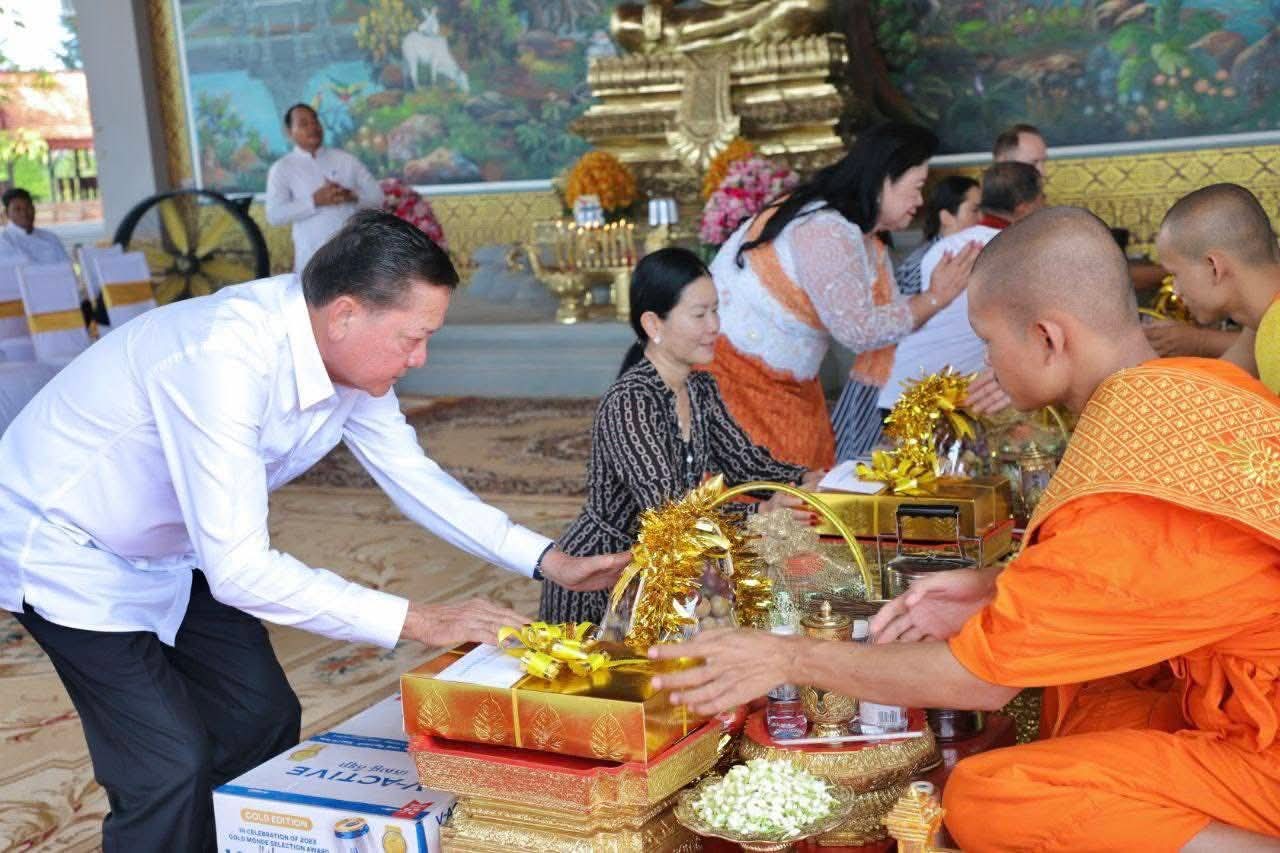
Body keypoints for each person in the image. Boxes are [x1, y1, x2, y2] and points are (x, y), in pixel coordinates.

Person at [650, 207, 1280, 851]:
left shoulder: (1128, 480)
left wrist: (786, 657)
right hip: (1229, 697)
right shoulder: (1196, 390)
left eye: (988, 340)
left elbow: (980, 679)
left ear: (1047, 339)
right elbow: (1150, 577)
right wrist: (995, 586)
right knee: (1093, 702)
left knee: (990, 794)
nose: (987, 362)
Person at [0, 211, 628, 851]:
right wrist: (420, 619)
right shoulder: (222, 359)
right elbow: (241, 570)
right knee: (165, 768)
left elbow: (414, 477)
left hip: (173, 546)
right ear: (345, 314)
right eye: (413, 338)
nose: (420, 359)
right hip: (67, 546)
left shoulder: (345, 360)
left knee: (260, 714)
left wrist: (549, 560)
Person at [541, 248, 820, 623]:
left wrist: (803, 479)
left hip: (666, 567)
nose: (714, 326)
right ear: (653, 324)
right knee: (600, 660)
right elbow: (668, 510)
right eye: (700, 314)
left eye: (716, 310)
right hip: (602, 571)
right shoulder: (631, 402)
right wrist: (759, 513)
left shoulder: (700, 388)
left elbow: (745, 463)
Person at [706, 123, 981, 468]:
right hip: (739, 377)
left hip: (784, 381)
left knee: (804, 475)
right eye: (916, 187)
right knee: (776, 486)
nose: (920, 201)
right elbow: (859, 330)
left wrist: (934, 297)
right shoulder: (824, 228)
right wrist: (936, 298)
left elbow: (885, 317)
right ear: (884, 178)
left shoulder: (857, 234)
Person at [878, 161, 1043, 412]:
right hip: (942, 401)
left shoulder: (944, 247)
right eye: (1042, 198)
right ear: (1025, 206)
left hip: (902, 390)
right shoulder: (1019, 251)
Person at [1153, 183, 1280, 392]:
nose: (1176, 290)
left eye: (1175, 274)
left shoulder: (1274, 335)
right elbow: (1218, 384)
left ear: (1214, 267)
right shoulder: (1261, 322)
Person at [265, 103, 383, 273]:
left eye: (315, 121)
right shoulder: (282, 168)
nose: (313, 127)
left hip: (354, 255)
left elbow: (378, 198)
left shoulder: (346, 160)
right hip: (311, 259)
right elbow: (275, 215)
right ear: (289, 132)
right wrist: (314, 201)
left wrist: (351, 196)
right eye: (304, 123)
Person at [893, 175, 981, 297]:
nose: (982, 218)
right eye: (975, 210)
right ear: (946, 217)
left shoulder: (972, 253)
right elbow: (907, 307)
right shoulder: (921, 265)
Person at [0, 187, 71, 264]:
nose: (24, 213)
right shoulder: (4, 241)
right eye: (17, 209)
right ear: (7, 213)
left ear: (34, 209)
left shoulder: (50, 238)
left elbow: (68, 265)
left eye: (28, 207)